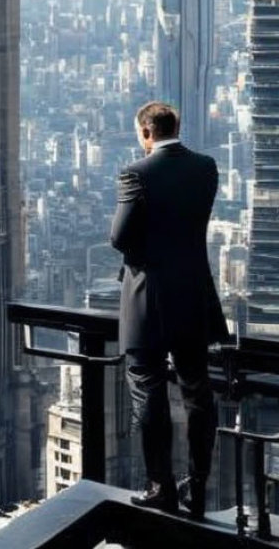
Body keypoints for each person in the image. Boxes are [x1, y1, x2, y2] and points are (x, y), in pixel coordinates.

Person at [110, 101, 229, 518]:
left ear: (146, 133)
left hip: (148, 300)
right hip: (194, 296)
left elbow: (120, 238)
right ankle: (197, 488)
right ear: (175, 126)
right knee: (198, 392)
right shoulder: (207, 167)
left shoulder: (135, 174)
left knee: (148, 390)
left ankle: (161, 487)